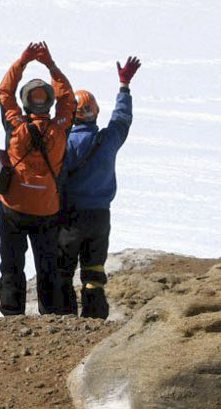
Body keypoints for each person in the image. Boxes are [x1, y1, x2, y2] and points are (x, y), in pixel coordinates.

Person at [0, 41, 75, 315]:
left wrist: (22, 61)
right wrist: (51, 65)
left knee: (11, 262)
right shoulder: (60, 128)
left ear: (25, 100)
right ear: (49, 102)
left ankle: (11, 312)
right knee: (47, 263)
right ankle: (50, 312)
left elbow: (3, 92)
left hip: (14, 206)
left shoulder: (15, 125)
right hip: (46, 208)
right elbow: (70, 100)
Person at [59, 57, 139, 318]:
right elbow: (122, 119)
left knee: (64, 268)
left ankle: (65, 317)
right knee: (94, 269)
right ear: (95, 112)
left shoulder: (64, 145)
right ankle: (95, 314)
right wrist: (124, 86)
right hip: (100, 216)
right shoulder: (108, 140)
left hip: (70, 215)